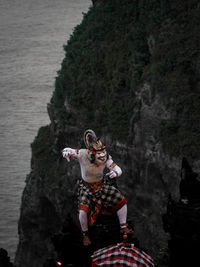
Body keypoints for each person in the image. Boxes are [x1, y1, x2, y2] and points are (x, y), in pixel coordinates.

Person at [62, 129, 133, 246]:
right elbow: (68, 150)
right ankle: (85, 235)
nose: (102, 156)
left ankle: (123, 226)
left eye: (103, 152)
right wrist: (66, 152)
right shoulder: (83, 154)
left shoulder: (106, 157)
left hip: (102, 185)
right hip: (86, 188)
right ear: (91, 153)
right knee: (83, 212)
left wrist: (115, 173)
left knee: (122, 201)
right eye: (98, 153)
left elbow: (118, 168)